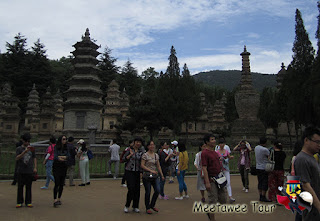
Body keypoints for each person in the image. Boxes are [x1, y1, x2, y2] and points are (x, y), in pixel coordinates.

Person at [294, 126, 320, 221]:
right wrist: (318, 206)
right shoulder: (302, 159)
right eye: (316, 142)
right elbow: (306, 185)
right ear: (306, 140)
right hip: (311, 207)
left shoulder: (312, 158)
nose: (319, 145)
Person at [201, 134, 227, 221]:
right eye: (212, 139)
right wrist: (207, 182)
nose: (214, 141)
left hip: (219, 178)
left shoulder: (215, 152)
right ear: (207, 142)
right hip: (211, 179)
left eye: (214, 139)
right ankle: (212, 218)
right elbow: (204, 167)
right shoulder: (204, 153)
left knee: (223, 199)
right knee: (213, 199)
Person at [141, 141, 165, 214]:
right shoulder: (145, 155)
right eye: (150, 145)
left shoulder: (156, 155)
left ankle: (152, 205)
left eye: (153, 145)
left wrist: (162, 175)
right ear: (148, 146)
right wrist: (150, 170)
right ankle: (147, 207)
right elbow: (142, 165)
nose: (152, 146)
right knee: (148, 192)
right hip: (147, 175)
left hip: (154, 176)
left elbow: (158, 165)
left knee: (157, 190)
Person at [122, 137, 145, 213]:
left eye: (139, 142)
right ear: (134, 142)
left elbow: (142, 162)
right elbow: (123, 159)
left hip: (137, 171)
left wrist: (141, 172)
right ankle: (127, 205)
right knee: (131, 188)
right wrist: (130, 155)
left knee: (137, 189)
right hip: (129, 171)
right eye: (137, 142)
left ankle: (135, 206)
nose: (138, 143)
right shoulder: (129, 150)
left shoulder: (141, 151)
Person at [15, 133, 37, 208]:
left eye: (28, 141)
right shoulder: (19, 149)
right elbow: (17, 158)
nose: (27, 143)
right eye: (26, 141)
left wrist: (35, 167)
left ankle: (28, 202)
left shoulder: (32, 148)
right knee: (20, 187)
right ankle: (19, 202)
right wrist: (24, 152)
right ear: (23, 141)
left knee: (28, 187)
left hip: (29, 170)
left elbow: (34, 157)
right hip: (21, 170)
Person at [216, 138, 235, 203]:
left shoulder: (226, 151)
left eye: (223, 143)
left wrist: (231, 157)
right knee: (220, 183)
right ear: (219, 144)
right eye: (221, 143)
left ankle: (230, 196)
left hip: (226, 168)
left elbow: (229, 157)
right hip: (219, 169)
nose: (222, 145)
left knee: (228, 182)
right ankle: (219, 197)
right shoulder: (217, 152)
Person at [52, 135, 69, 207]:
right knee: (57, 183)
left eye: (65, 139)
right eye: (64, 139)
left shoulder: (66, 148)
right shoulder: (56, 147)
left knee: (62, 183)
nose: (65, 140)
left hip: (63, 167)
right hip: (56, 167)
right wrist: (63, 158)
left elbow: (68, 156)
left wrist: (61, 157)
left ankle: (59, 198)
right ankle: (55, 199)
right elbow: (55, 157)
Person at [254, 137, 271, 202]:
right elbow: (269, 157)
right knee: (265, 182)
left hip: (258, 166)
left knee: (260, 182)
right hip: (264, 167)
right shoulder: (265, 150)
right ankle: (263, 196)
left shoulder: (256, 148)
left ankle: (260, 195)